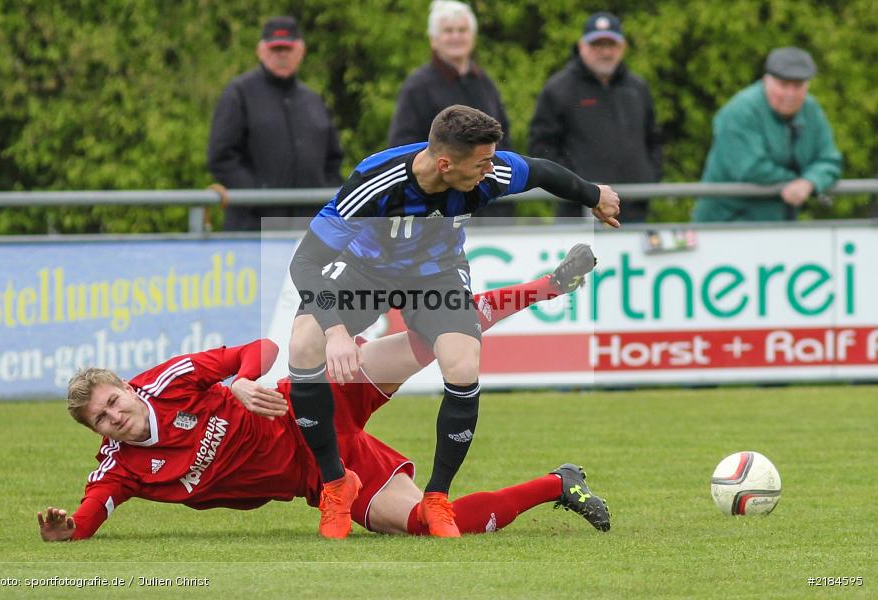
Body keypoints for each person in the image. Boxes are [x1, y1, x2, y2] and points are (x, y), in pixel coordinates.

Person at [36, 261, 611, 542]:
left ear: (128, 388)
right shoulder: (123, 470)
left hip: (315, 402)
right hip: (324, 476)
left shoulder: (170, 381)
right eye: (102, 420)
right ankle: (559, 483)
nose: (115, 417)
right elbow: (87, 519)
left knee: (433, 337)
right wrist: (67, 529)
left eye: (113, 401)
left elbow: (260, 348)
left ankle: (546, 287)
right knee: (433, 526)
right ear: (100, 433)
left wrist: (236, 383)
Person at [287, 104, 620, 539]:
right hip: (363, 275)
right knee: (303, 344)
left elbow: (540, 171)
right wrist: (336, 334)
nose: (490, 170)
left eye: (491, 159)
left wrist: (592, 194)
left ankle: (437, 497)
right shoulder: (376, 181)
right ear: (445, 163)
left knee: (462, 363)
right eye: (481, 163)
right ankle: (335, 484)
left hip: (434, 275)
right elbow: (306, 263)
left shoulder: (491, 171)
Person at [207, 16, 344, 231]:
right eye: (275, 49)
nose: (281, 55)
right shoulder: (239, 94)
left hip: (308, 231)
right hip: (252, 230)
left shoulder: (314, 100)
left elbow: (333, 162)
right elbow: (221, 157)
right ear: (260, 51)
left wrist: (324, 202)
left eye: (287, 49)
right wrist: (258, 197)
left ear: (301, 51)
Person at [529, 11, 662, 223]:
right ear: (582, 46)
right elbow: (542, 149)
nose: (605, 52)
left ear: (622, 47)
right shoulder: (559, 89)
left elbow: (654, 139)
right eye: (597, 45)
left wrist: (649, 177)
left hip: (634, 209)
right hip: (579, 211)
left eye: (611, 45)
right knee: (580, 258)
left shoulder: (638, 88)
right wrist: (577, 187)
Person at [388, 0, 513, 222]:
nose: (456, 36)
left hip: (488, 204)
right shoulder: (418, 86)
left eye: (462, 30)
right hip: (438, 208)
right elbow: (402, 146)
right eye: (448, 31)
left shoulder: (484, 83)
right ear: (434, 40)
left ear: (472, 36)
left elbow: (504, 137)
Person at [692, 47, 843, 222]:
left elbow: (829, 160)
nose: (790, 94)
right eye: (784, 85)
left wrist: (809, 182)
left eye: (798, 86)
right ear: (766, 81)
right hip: (727, 223)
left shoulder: (811, 110)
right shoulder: (740, 110)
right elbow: (751, 168)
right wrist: (797, 181)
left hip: (779, 223)